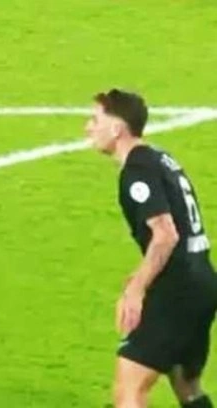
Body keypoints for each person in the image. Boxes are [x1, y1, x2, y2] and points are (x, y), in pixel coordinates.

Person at [85, 89, 217, 408]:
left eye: (95, 120)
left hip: (177, 289)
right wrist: (141, 274)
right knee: (186, 384)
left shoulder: (137, 171)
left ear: (117, 129)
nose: (88, 127)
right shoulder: (160, 158)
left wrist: (137, 289)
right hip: (202, 280)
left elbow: (166, 234)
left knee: (129, 388)